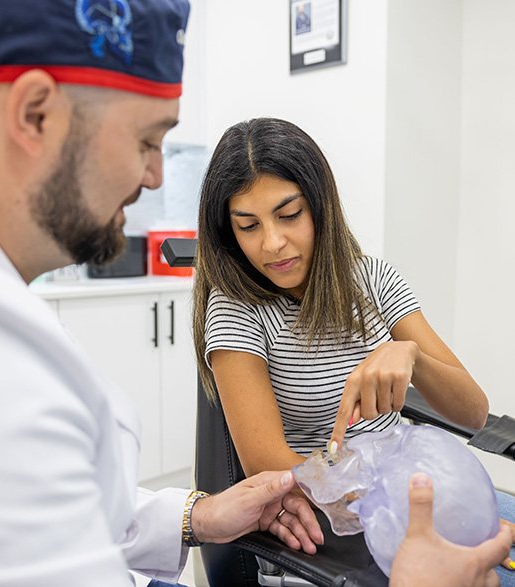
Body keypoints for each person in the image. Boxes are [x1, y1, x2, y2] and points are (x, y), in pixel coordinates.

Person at [0, 3, 324, 586]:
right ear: (35, 114)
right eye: (148, 139)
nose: (154, 175)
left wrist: (197, 515)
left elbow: (78, 509)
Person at [192, 116, 515, 580]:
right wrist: (437, 513)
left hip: (411, 489)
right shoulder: (236, 309)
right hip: (326, 518)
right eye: (248, 226)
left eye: (289, 215)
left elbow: (474, 413)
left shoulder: (374, 280)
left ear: (320, 205)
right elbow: (267, 463)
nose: (272, 243)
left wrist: (413, 357)